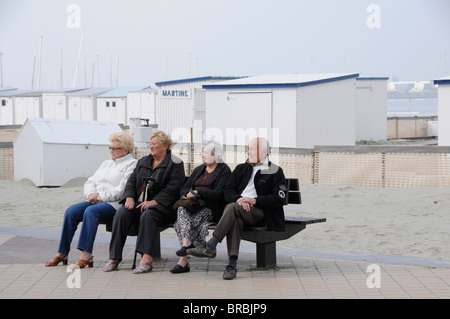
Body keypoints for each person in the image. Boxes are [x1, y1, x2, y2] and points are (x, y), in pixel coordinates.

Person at [187, 137, 287, 280]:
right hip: (238, 209)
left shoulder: (275, 171)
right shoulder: (241, 169)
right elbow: (228, 191)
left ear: (264, 151)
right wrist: (239, 200)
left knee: (232, 208)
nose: (248, 151)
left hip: (261, 213)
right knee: (235, 219)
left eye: (252, 149)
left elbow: (279, 198)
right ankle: (231, 265)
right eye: (248, 148)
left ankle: (211, 244)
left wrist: (253, 200)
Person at [45, 132, 137, 269]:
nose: (111, 151)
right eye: (110, 148)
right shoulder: (106, 163)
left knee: (91, 212)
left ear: (126, 150)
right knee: (71, 212)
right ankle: (62, 252)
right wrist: (91, 194)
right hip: (96, 201)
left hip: (115, 204)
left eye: (115, 148)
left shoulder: (132, 164)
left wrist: (102, 197)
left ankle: (86, 255)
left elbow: (122, 189)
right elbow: (90, 181)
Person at [103, 130, 185, 274]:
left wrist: (155, 201)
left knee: (148, 215)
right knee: (122, 212)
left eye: (154, 144)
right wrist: (129, 197)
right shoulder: (143, 162)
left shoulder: (175, 163)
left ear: (165, 146)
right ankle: (114, 258)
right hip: (140, 204)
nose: (151, 146)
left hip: (163, 208)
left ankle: (147, 258)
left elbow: (174, 188)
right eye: (150, 144)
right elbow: (131, 182)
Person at [170, 141, 231, 274]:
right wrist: (187, 194)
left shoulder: (224, 170)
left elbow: (220, 194)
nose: (203, 155)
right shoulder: (199, 169)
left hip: (210, 208)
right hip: (191, 205)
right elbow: (184, 188)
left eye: (206, 153)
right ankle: (187, 245)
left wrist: (199, 193)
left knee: (182, 224)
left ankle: (183, 260)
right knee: (181, 209)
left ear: (216, 155)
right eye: (202, 152)